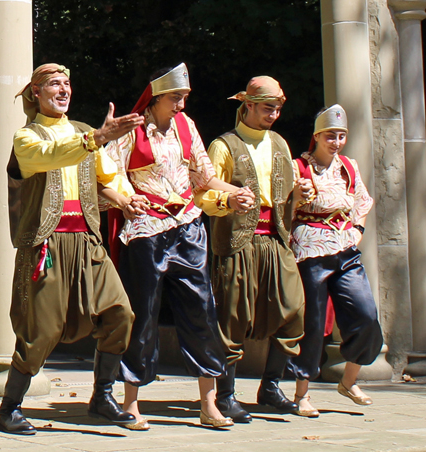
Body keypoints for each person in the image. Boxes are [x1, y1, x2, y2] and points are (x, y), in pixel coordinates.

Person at [0, 63, 147, 435]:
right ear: (35, 92)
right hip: (47, 245)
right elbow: (51, 156)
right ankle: (9, 408)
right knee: (42, 331)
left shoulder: (85, 133)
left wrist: (125, 200)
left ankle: (102, 396)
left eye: (67, 84)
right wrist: (97, 138)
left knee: (120, 313)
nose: (63, 90)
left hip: (87, 242)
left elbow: (103, 178)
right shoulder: (27, 137)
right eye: (53, 85)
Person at [105, 63, 255, 430]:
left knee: (202, 311)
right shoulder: (131, 131)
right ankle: (131, 402)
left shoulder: (187, 128)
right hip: (147, 229)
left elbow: (204, 177)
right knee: (143, 315)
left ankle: (209, 403)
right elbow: (108, 175)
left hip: (188, 228)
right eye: (176, 98)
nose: (182, 106)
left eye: (185, 98)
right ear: (156, 97)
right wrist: (127, 202)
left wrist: (235, 194)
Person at [196, 76, 308, 423]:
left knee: (293, 310)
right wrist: (226, 199)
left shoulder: (279, 144)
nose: (273, 115)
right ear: (247, 106)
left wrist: (301, 196)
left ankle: (271, 387)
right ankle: (226, 395)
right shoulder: (224, 145)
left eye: (276, 109)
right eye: (266, 108)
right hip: (237, 243)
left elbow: (286, 196)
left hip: (274, 239)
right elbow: (201, 194)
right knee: (232, 317)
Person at [286, 104, 383, 417]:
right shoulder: (298, 166)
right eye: (330, 135)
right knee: (313, 323)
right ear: (317, 135)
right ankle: (302, 393)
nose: (336, 141)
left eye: (341, 135)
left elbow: (362, 202)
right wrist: (296, 199)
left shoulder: (348, 167)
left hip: (344, 248)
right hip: (310, 250)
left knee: (365, 314)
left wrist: (358, 228)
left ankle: (349, 380)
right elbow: (280, 208)